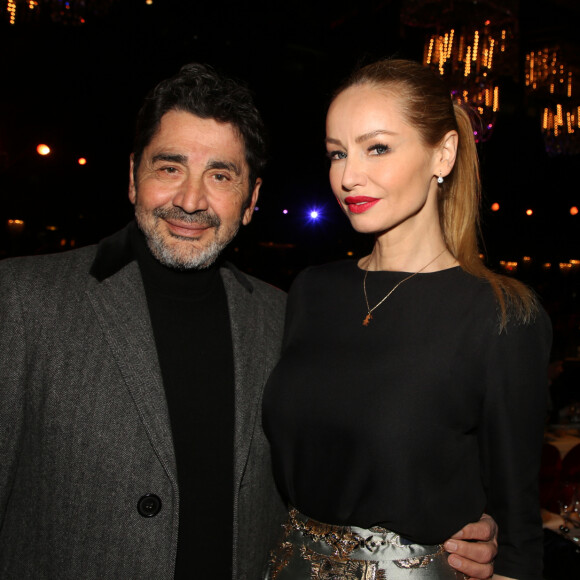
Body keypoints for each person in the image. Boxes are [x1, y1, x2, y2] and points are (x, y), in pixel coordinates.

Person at [0, 62, 497, 579]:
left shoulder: (283, 315)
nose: (191, 200)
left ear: (252, 199)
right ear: (132, 177)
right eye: (169, 168)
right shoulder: (23, 300)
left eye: (220, 175)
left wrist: (460, 528)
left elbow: (355, 462)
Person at [263, 58, 552, 579]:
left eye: (377, 147)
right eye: (336, 153)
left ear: (442, 153)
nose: (349, 176)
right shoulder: (312, 290)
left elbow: (517, 532)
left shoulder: (501, 314)